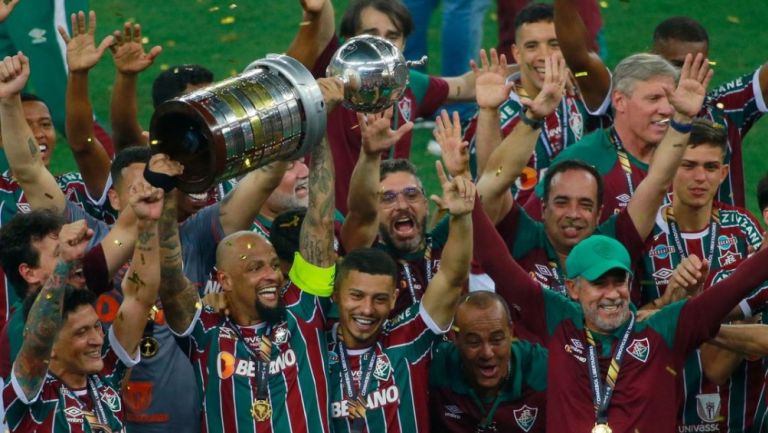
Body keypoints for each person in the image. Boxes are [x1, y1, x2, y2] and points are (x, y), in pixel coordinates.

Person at [471, 197, 768, 432]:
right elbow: (500, 266)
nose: (612, 294)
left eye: (619, 282)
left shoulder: (665, 327)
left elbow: (738, 284)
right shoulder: (559, 320)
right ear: (573, 287)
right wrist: (470, 204)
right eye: (600, 283)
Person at [157, 130, 337, 432]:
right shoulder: (206, 330)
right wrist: (163, 191)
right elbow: (170, 273)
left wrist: (318, 126)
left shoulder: (305, 307)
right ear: (224, 280)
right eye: (255, 268)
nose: (271, 275)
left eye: (271, 265)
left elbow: (320, 220)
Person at [288, 0, 489, 214]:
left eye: (392, 37)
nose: (381, 45)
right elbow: (317, 38)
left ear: (403, 45)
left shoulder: (410, 85)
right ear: (348, 41)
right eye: (371, 35)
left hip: (388, 228)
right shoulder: (330, 76)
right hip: (326, 224)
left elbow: (464, 86)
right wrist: (316, 12)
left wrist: (522, 71)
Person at [554, 7, 768, 208]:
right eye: (676, 65)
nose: (686, 74)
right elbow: (579, 59)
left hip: (719, 245)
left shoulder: (723, 110)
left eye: (698, 64)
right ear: (653, 58)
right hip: (636, 240)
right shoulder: (626, 103)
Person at [2, 178, 164, 432]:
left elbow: (140, 295)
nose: (97, 339)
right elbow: (39, 338)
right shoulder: (21, 332)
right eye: (59, 253)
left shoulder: (106, 373)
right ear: (29, 272)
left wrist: (147, 224)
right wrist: (65, 263)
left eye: (97, 327)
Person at [636, 119, 767, 432]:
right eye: (688, 165)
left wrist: (688, 315)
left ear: (723, 173)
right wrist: (669, 302)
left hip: (737, 415)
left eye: (710, 167)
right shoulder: (643, 230)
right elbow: (627, 319)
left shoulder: (744, 229)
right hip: (661, 408)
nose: (700, 177)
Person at [328, 163, 474, 433]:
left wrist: (462, 216)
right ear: (335, 296)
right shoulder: (315, 352)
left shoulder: (406, 339)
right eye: (357, 296)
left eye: (380, 299)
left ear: (395, 299)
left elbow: (453, 278)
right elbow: (360, 214)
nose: (367, 309)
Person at [461, 3, 610, 206]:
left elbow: (584, 65)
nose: (544, 56)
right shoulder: (493, 114)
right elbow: (487, 185)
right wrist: (489, 112)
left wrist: (577, 72)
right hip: (516, 232)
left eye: (554, 44)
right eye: (532, 46)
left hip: (578, 225)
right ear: (517, 53)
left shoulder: (581, 90)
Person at [341, 108, 452, 316]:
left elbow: (492, 189)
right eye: (388, 198)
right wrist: (370, 154)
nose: (401, 205)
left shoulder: (443, 244)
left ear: (426, 203)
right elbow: (361, 212)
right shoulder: (366, 254)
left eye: (411, 194)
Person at [429, 291, 548, 433]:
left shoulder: (543, 368)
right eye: (474, 342)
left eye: (496, 340)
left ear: (510, 332)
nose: (487, 353)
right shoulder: (437, 365)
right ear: (457, 338)